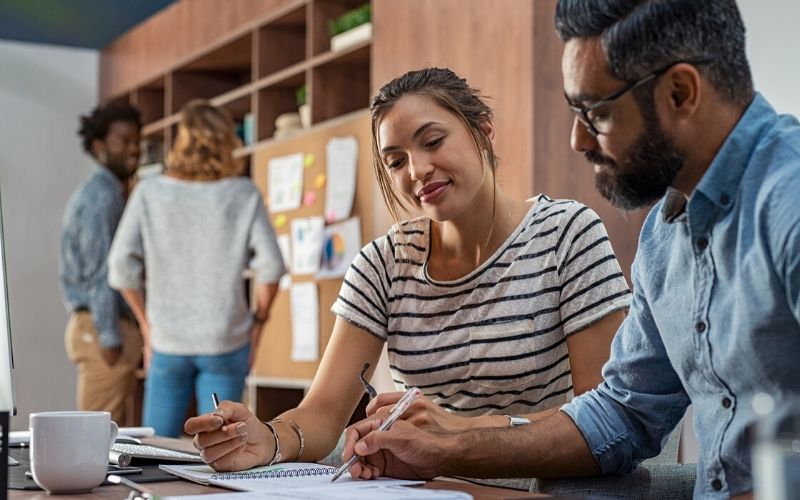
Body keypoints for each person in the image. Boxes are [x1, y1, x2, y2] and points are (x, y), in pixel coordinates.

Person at [337, 1, 800, 499]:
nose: (578, 138)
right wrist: (446, 447)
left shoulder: (787, 203)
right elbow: (622, 413)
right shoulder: (665, 238)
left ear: (680, 92)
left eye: (595, 112)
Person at [184, 68, 631, 470]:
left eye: (433, 142)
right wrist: (269, 438)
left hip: (544, 484)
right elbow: (320, 415)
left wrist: (459, 429)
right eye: (395, 161)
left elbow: (604, 412)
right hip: (427, 486)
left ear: (484, 131)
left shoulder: (568, 233)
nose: (417, 170)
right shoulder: (382, 264)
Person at [107, 100, 286, 437]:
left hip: (167, 340)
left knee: (154, 447)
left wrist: (147, 326)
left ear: (180, 141)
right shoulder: (242, 193)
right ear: (227, 141)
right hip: (226, 339)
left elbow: (120, 267)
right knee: (224, 449)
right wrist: (258, 324)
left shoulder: (150, 192)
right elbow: (272, 267)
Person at [59, 103, 144, 425]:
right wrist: (110, 337)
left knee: (104, 434)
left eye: (137, 140)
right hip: (102, 328)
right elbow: (101, 273)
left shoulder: (109, 193)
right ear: (99, 146)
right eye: (124, 141)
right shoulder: (102, 198)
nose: (133, 149)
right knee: (93, 437)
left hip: (101, 326)